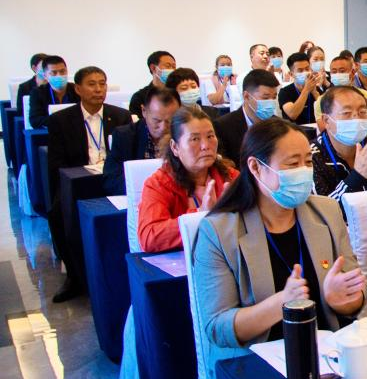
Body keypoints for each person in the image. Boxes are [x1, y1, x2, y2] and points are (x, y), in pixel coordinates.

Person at [191, 118, 366, 379]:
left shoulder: (325, 211)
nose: (304, 171)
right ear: (256, 168)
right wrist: (280, 304)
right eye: (292, 164)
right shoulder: (219, 231)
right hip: (259, 373)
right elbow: (217, 327)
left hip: (328, 363)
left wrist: (342, 300)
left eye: (308, 162)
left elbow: (355, 296)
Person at [47, 67, 132, 301]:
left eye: (102, 84)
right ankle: (74, 276)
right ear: (78, 89)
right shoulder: (61, 120)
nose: (98, 89)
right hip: (79, 182)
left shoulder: (121, 116)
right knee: (57, 212)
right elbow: (56, 164)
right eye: (92, 84)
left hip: (111, 179)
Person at [137, 108, 239, 252]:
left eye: (210, 136)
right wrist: (200, 215)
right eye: (195, 139)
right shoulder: (158, 184)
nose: (205, 146)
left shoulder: (230, 177)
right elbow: (149, 236)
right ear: (175, 147)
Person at [311, 86, 367, 203]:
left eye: (362, 112)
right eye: (346, 113)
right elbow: (323, 210)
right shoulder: (311, 157)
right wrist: (357, 177)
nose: (356, 118)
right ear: (326, 120)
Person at [103, 87, 181, 195]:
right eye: (157, 120)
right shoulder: (125, 137)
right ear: (144, 111)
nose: (163, 127)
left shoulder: (185, 135)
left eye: (170, 120)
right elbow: (111, 181)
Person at [213, 69, 280, 166]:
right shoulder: (223, 126)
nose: (271, 102)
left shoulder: (278, 125)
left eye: (274, 98)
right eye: (265, 98)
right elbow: (224, 166)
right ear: (246, 96)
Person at [323, 54, 367, 128]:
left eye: (342, 71)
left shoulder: (366, 95)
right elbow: (323, 127)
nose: (338, 74)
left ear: (353, 73)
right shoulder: (324, 99)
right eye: (334, 72)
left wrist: (364, 113)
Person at [29, 55, 80, 128]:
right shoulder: (37, 93)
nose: (59, 75)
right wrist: (62, 120)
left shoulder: (76, 89)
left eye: (62, 71)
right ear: (45, 76)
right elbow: (35, 120)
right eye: (54, 73)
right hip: (50, 132)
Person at [277, 52, 323, 126]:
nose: (305, 72)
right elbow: (292, 114)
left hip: (315, 129)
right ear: (291, 74)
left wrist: (314, 93)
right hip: (294, 130)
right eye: (300, 70)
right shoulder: (285, 92)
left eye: (307, 69)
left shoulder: (316, 89)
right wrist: (306, 90)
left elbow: (326, 112)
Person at [129, 51, 177, 117]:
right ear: (153, 68)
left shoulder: (178, 92)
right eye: (168, 66)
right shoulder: (139, 97)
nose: (172, 70)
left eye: (174, 67)